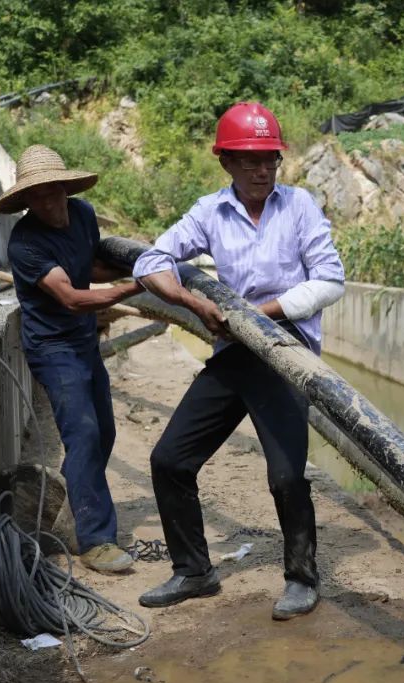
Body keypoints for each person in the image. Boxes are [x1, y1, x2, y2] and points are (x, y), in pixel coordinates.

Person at [133, 102, 345, 620]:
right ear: (226, 161)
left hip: (283, 348)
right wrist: (190, 301)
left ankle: (301, 578)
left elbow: (330, 280)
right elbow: (151, 261)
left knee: (286, 476)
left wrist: (262, 311)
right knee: (170, 460)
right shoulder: (209, 212)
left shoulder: (299, 207)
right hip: (233, 348)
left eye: (269, 158)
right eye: (248, 159)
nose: (261, 169)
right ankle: (193, 570)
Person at [0, 145, 143, 573]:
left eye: (52, 191)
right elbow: (74, 297)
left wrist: (137, 267)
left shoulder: (82, 214)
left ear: (65, 187)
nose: (47, 201)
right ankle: (95, 540)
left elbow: (90, 267)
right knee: (82, 434)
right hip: (52, 347)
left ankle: (71, 500)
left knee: (104, 433)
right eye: (36, 196)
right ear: (25, 201)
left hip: (83, 342)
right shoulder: (25, 244)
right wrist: (135, 290)